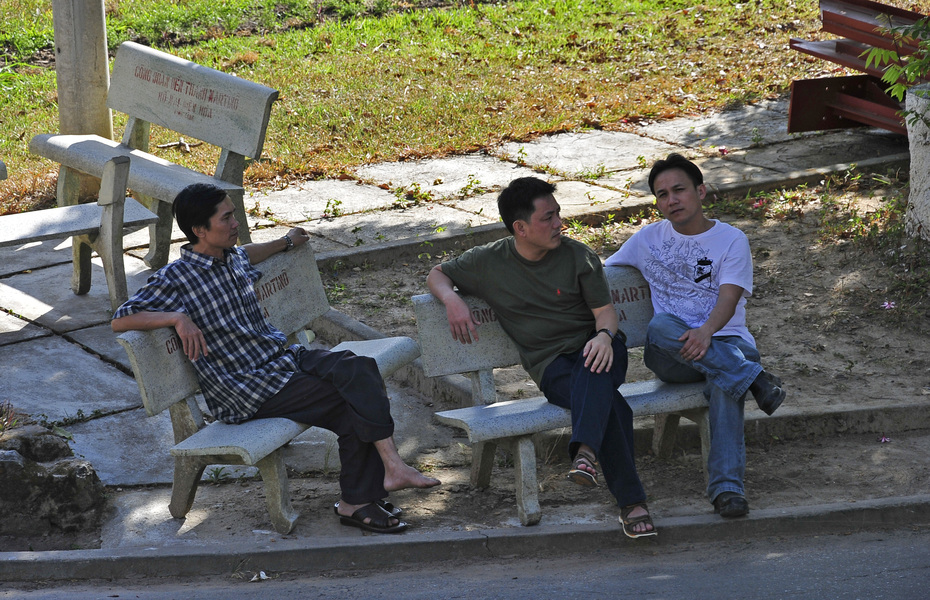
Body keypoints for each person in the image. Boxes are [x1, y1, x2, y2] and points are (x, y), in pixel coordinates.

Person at [111, 182, 439, 534]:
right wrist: (177, 318)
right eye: (226, 218)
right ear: (199, 230)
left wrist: (285, 242)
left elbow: (250, 253)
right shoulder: (176, 278)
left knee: (359, 368)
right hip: (246, 387)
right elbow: (121, 319)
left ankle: (386, 473)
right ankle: (363, 495)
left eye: (233, 215)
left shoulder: (230, 256)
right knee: (347, 400)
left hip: (280, 360)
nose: (236, 223)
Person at [426, 177, 656, 538]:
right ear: (520, 228)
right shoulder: (489, 261)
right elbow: (438, 274)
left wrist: (603, 337)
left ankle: (589, 456)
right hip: (551, 366)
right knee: (609, 402)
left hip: (600, 348)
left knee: (594, 368)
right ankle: (626, 498)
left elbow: (606, 314)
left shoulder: (578, 256)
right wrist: (452, 299)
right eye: (548, 218)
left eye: (558, 214)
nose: (559, 224)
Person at [605, 153, 786, 518]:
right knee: (661, 326)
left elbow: (729, 298)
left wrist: (705, 333)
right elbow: (600, 273)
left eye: (679, 190)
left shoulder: (731, 240)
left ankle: (727, 490)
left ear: (700, 191)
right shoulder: (646, 240)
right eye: (662, 195)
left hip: (724, 340)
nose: (671, 200)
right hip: (670, 354)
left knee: (725, 379)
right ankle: (754, 378)